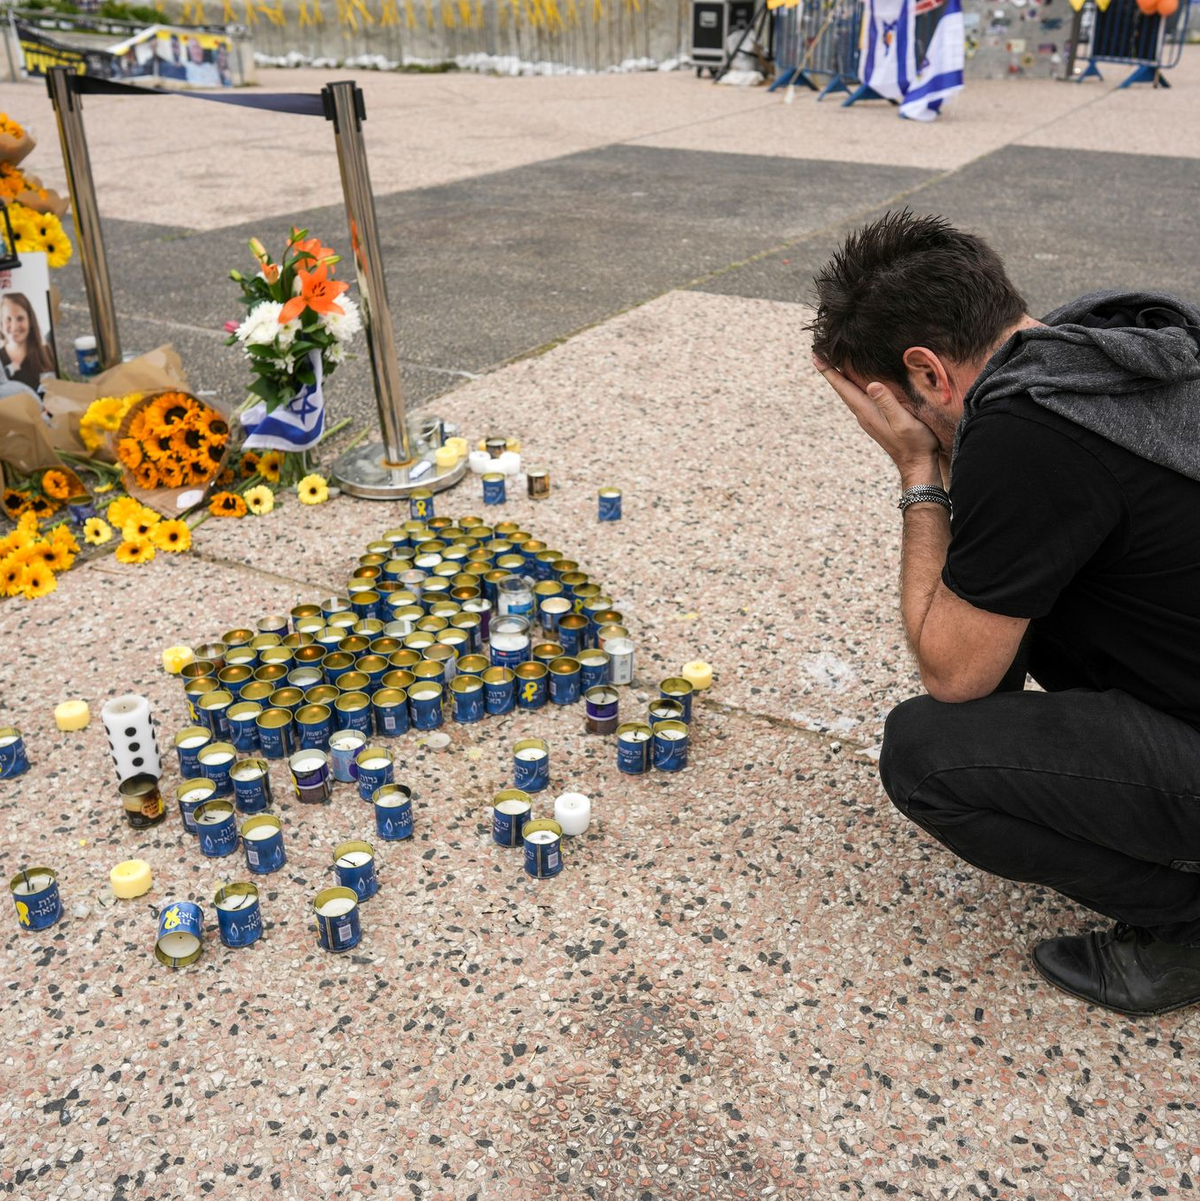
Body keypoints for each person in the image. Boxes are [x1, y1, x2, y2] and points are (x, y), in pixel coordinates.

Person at [809, 210, 1200, 1017]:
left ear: (925, 374)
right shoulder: (1107, 347)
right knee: (1030, 604)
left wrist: (921, 468)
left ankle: (1188, 926)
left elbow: (956, 675)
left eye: (888, 403)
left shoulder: (1027, 430)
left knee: (928, 755)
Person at [0, 293, 55, 394]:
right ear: (1, 323)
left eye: (20, 318)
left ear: (30, 321)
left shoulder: (47, 353)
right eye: (8, 319)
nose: (14, 326)